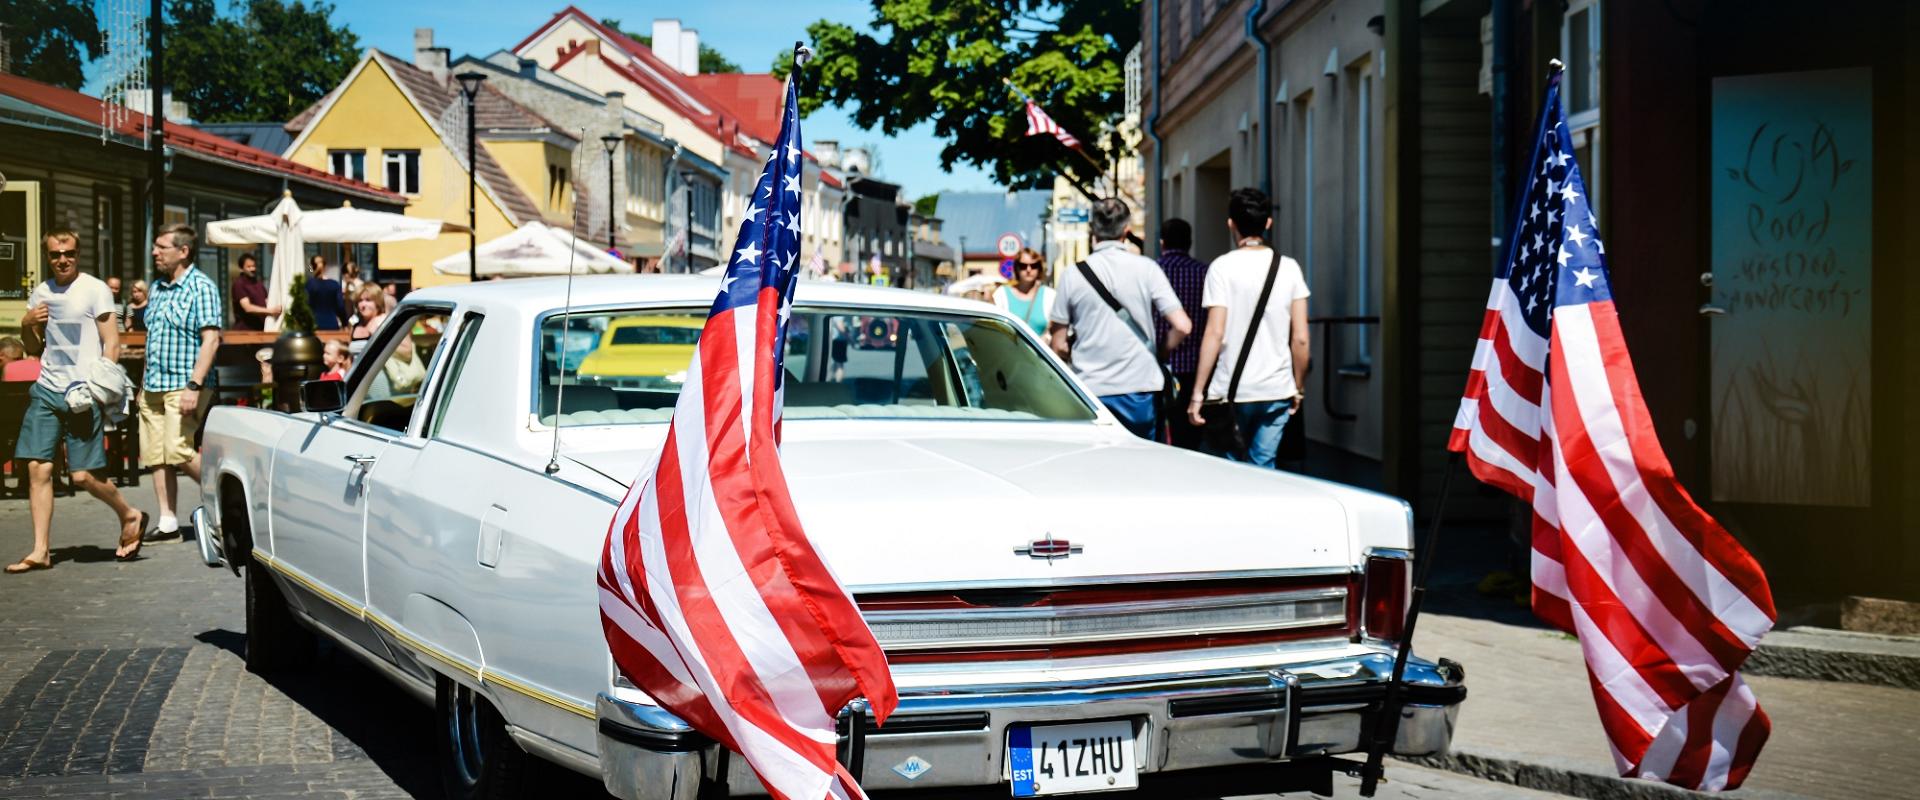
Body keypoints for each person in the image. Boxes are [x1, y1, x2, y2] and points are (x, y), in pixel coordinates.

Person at [7, 230, 148, 573]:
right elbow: (32, 346)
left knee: (84, 476)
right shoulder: (41, 292)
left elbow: (111, 343)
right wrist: (27, 322)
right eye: (55, 254)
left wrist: (99, 387)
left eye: (68, 253)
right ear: (48, 257)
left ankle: (130, 514)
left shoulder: (94, 288)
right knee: (37, 468)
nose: (62, 260)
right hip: (47, 387)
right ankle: (41, 550)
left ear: (78, 253)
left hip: (83, 392)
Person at [1187, 187, 1312, 469]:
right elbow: (1301, 338)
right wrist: (1298, 386)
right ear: (1268, 223)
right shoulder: (1289, 268)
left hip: (1230, 390)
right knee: (1264, 467)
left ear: (1231, 223)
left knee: (1230, 472)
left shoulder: (1222, 268)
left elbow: (1215, 333)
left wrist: (1198, 392)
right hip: (1276, 389)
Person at [1047, 198, 1192, 439]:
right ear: (1127, 231)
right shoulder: (1147, 268)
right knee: (1142, 465)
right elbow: (1183, 325)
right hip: (1141, 386)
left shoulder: (1073, 275)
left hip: (1091, 389)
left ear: (1093, 230)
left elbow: (1058, 343)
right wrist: (1160, 351)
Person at [140, 223, 223, 542]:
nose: (155, 251)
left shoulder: (201, 286)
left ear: (183, 251)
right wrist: (142, 385)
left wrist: (194, 385)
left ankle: (229, 504)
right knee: (156, 454)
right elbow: (154, 338)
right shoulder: (158, 288)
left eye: (162, 246)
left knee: (177, 449)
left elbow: (211, 340)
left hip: (184, 383)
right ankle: (167, 520)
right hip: (153, 385)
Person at [1156, 219, 1210, 449]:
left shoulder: (1153, 272)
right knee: (1191, 438)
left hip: (1159, 366)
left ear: (1162, 243)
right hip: (1196, 368)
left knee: (1161, 435)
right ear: (1190, 242)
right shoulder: (1205, 272)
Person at [991, 248, 1056, 337]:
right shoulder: (1001, 294)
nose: (1028, 269)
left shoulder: (1050, 295)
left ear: (1039, 268)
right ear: (1017, 268)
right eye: (1023, 266)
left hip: (1040, 350)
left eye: (1033, 265)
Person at [230, 252, 279, 331]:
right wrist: (270, 311)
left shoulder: (258, 283)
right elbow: (247, 307)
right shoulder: (239, 284)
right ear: (241, 268)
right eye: (249, 267)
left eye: (254, 266)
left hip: (261, 329)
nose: (253, 269)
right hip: (244, 331)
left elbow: (267, 302)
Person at [306, 254, 346, 330]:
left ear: (311, 267)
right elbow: (340, 306)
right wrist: (345, 323)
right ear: (325, 267)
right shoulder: (334, 284)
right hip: (331, 323)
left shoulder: (309, 285)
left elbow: (306, 305)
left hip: (313, 324)